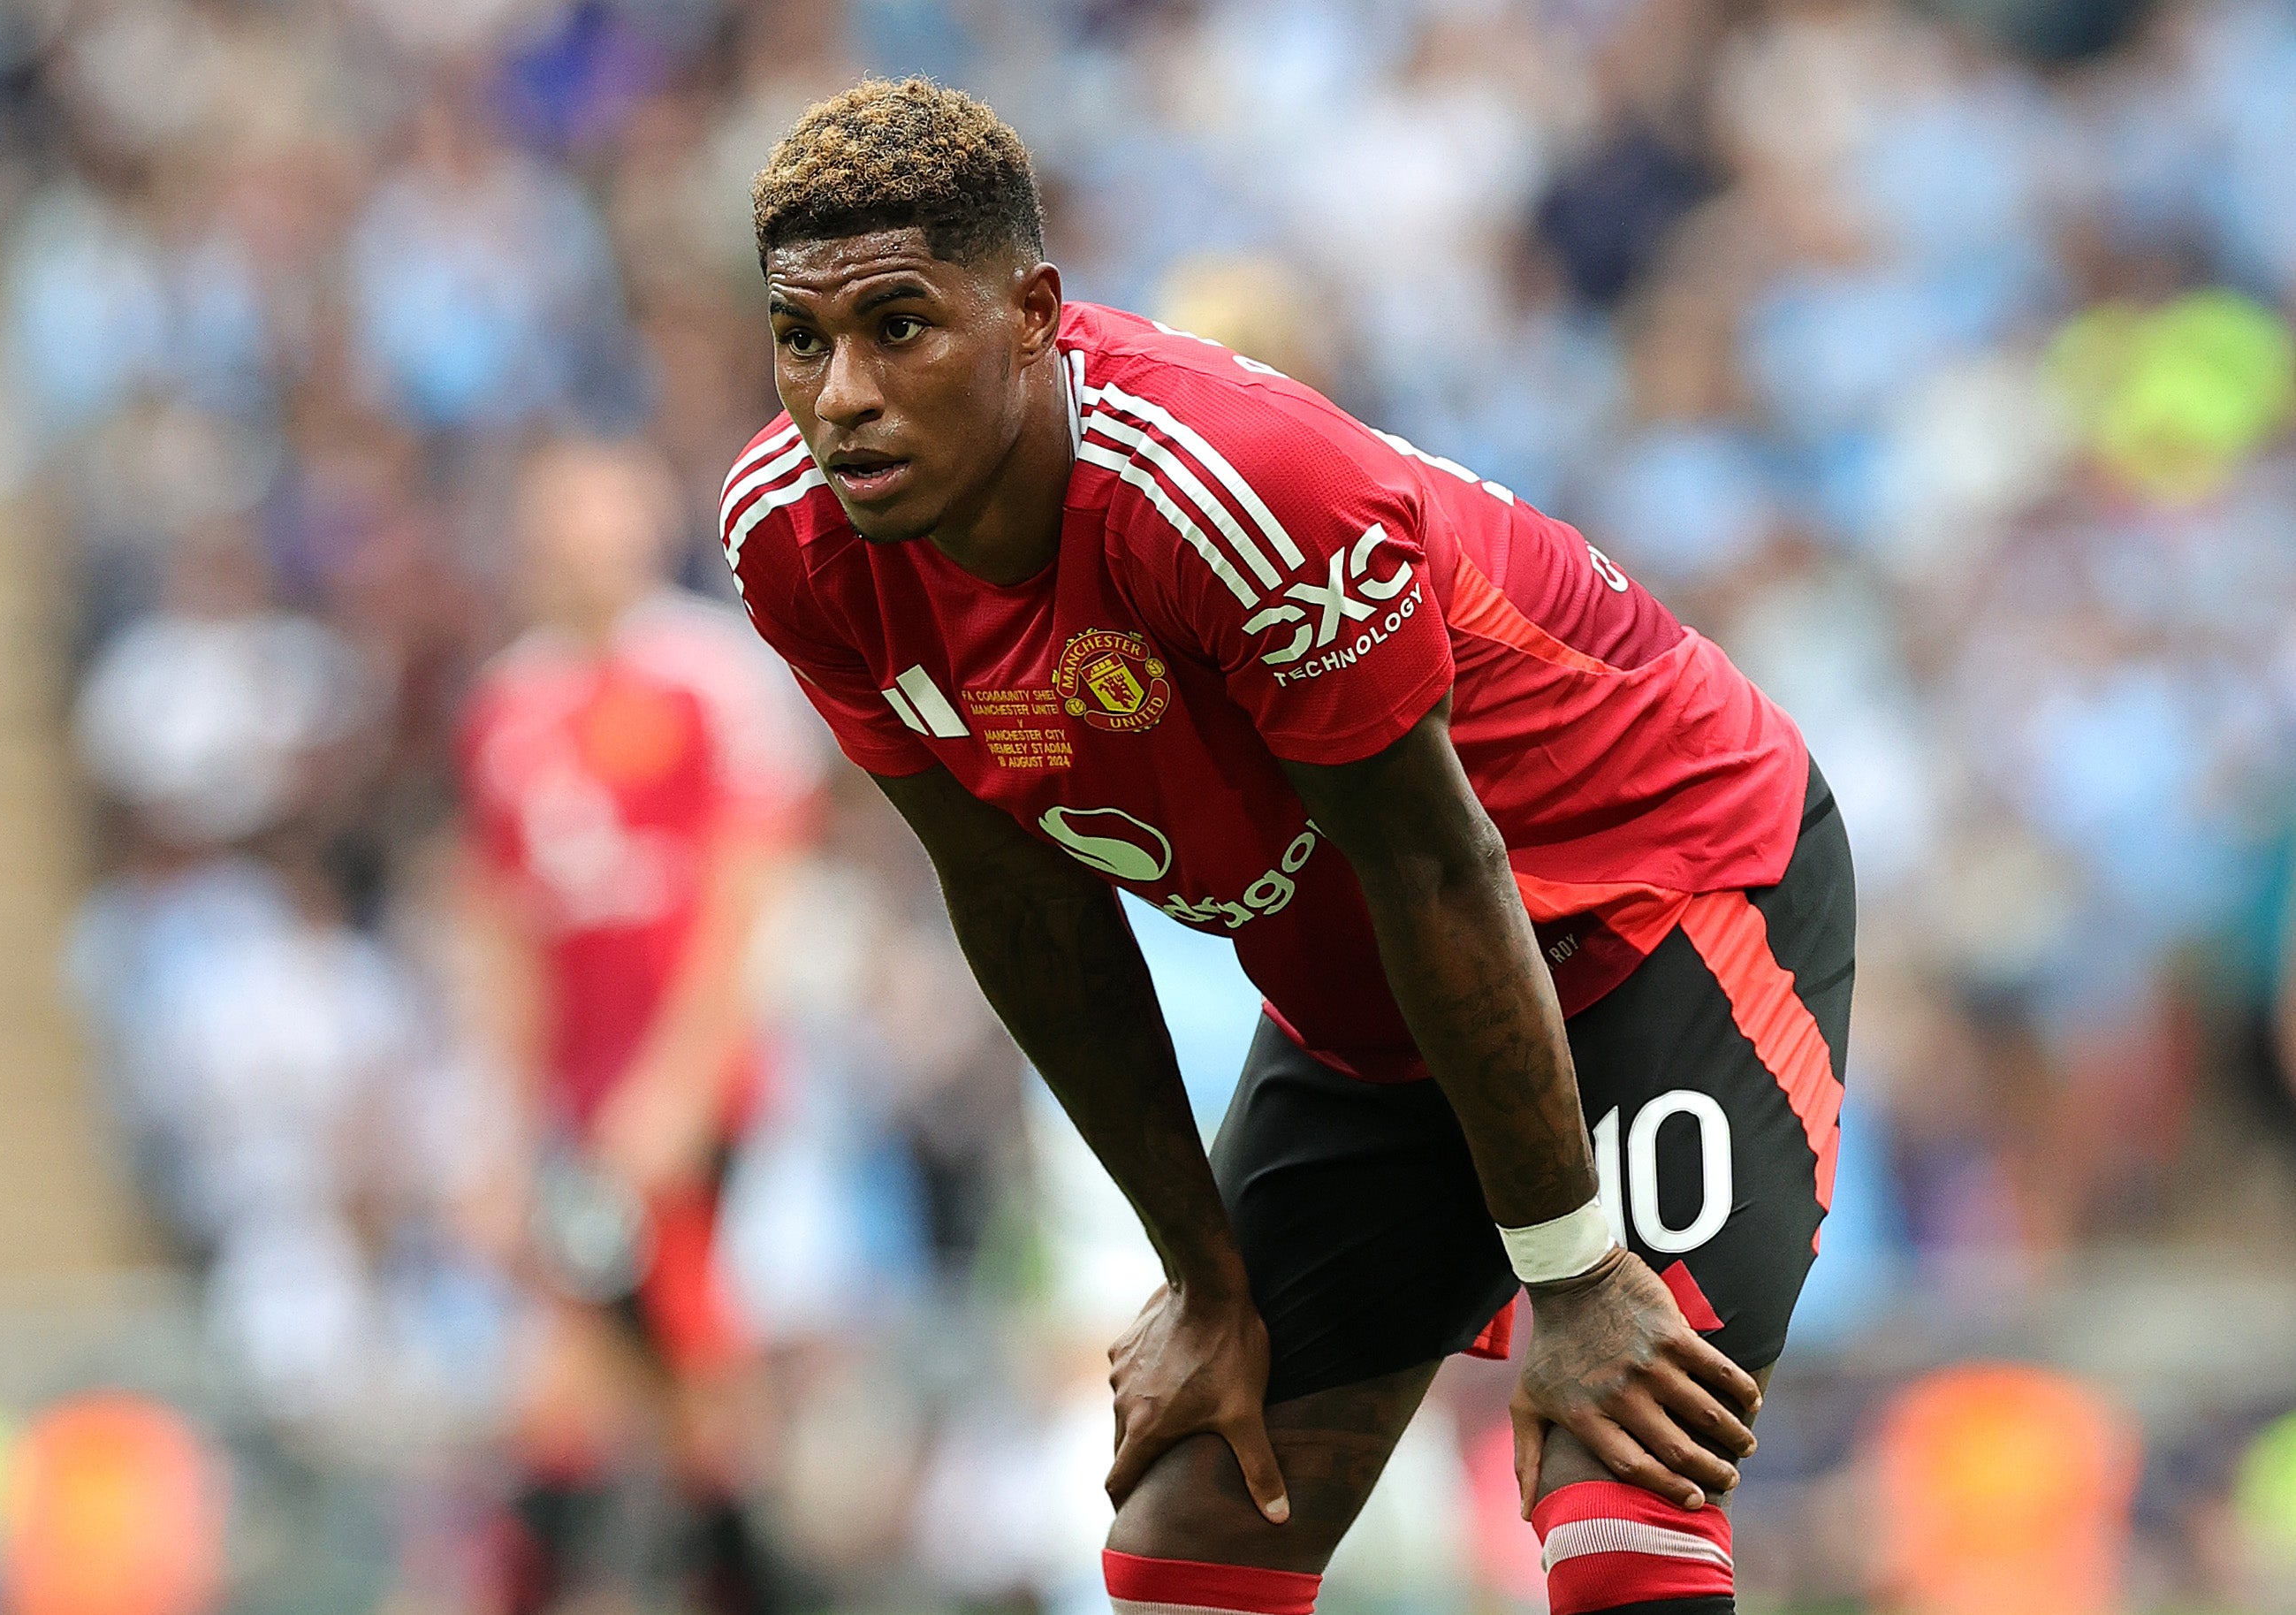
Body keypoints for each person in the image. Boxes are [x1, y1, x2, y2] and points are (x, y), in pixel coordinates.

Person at [719, 80, 1854, 1615]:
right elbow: (1011, 899)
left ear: (1036, 312)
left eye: (900, 327)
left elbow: (1440, 872)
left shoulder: (1221, 493)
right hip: (1381, 996)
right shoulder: (791, 539)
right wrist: (1200, 1278)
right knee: (1190, 1537)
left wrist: (1574, 1272)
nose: (841, 391)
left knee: (1619, 1506)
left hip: (1654, 897)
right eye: (803, 340)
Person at [452, 435, 818, 1615]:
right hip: (580, 1102)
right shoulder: (509, 705)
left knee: (607, 1370)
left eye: (604, 516)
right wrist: (504, 1132)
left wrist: (680, 1086)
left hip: (691, 1097)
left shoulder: (712, 678)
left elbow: (743, 903)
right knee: (658, 1380)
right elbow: (505, 940)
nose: (583, 543)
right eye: (562, 520)